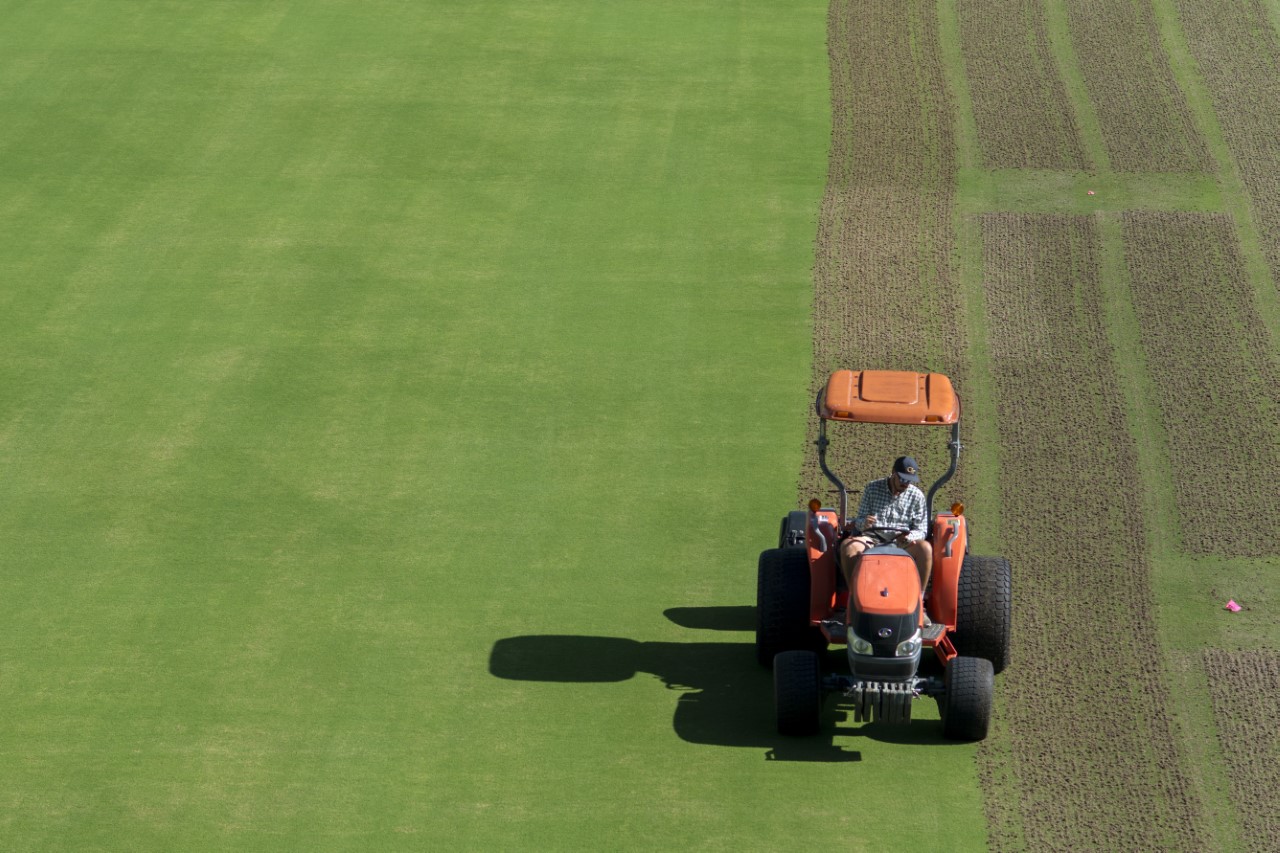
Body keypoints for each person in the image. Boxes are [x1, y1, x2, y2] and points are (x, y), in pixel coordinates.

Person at [839, 456, 934, 623]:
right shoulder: (872, 488)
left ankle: (919, 602)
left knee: (925, 548)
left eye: (910, 480)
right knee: (849, 547)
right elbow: (860, 521)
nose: (906, 484)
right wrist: (864, 523)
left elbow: (921, 529)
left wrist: (909, 536)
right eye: (903, 479)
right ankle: (854, 600)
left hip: (901, 542)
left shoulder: (916, 496)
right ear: (893, 473)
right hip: (872, 539)